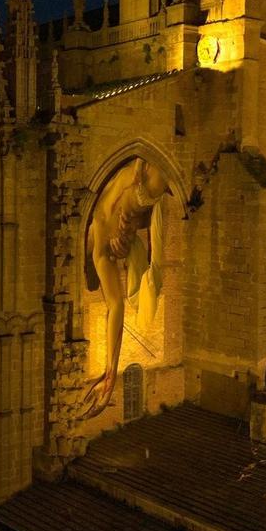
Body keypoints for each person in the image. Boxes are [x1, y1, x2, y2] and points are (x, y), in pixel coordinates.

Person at [82, 157, 169, 418]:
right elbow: (116, 307)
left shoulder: (99, 240)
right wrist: (111, 372)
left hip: (141, 186)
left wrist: (137, 171)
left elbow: (115, 306)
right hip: (145, 195)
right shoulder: (108, 250)